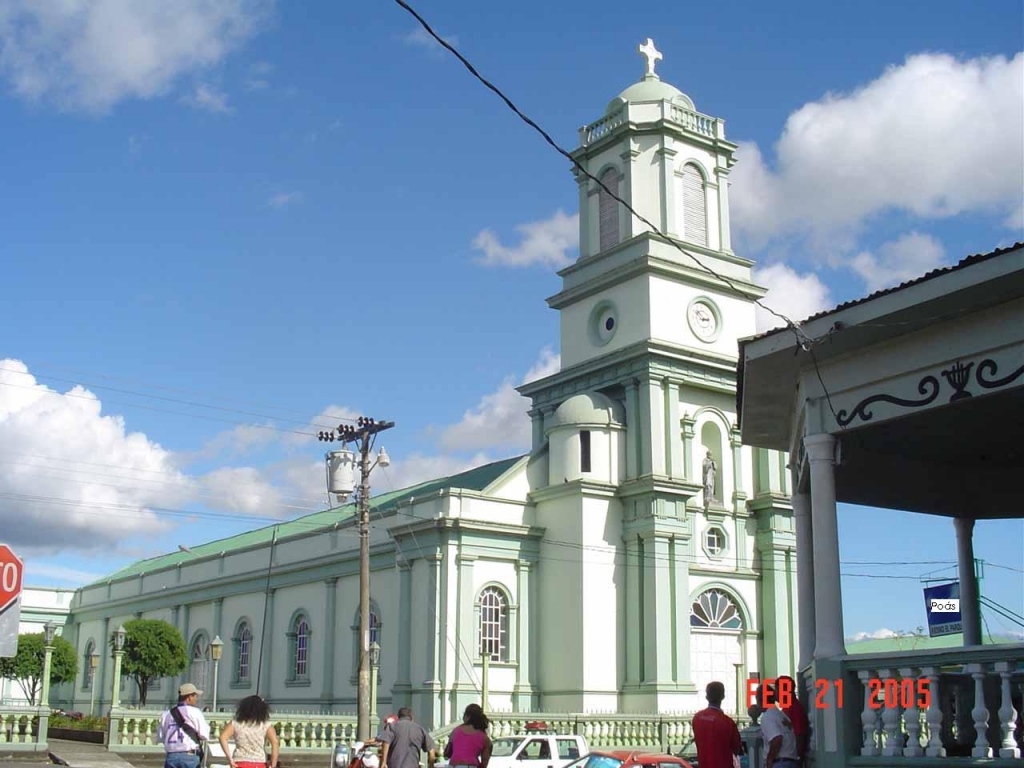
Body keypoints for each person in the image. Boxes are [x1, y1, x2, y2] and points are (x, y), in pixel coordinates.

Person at [156, 683, 211, 768]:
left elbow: (160, 737)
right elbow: (204, 735)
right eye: (195, 696)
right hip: (189, 755)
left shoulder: (166, 714)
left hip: (171, 756)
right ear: (189, 697)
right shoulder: (195, 712)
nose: (196, 699)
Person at [218, 694, 279, 768]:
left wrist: (230, 759)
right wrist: (273, 763)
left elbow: (222, 738)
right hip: (259, 762)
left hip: (239, 761)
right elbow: (275, 742)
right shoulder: (266, 725)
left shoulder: (235, 723)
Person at [692, 682, 742, 768]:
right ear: (723, 696)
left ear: (707, 697)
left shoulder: (697, 718)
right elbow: (736, 749)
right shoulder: (728, 722)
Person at [759, 683, 800, 768]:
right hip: (791, 761)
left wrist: (769, 759)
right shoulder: (782, 715)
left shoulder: (767, 716)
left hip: (779, 763)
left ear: (761, 700)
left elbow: (777, 738)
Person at [445, 704, 493, 768]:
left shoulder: (456, 730)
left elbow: (447, 753)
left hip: (453, 765)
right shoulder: (484, 737)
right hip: (471, 765)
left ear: (467, 716)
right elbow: (484, 762)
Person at [777, 676, 809, 765]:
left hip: (790, 759)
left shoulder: (795, 708)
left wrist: (798, 757)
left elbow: (800, 734)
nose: (776, 694)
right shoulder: (786, 708)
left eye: (777, 690)